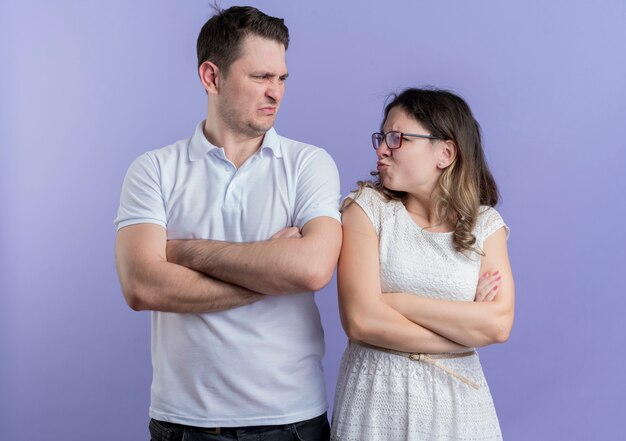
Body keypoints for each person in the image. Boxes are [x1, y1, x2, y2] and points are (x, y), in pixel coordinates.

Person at [114, 6, 341, 441]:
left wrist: (182, 252)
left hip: (291, 421)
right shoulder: (154, 169)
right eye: (260, 78)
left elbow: (312, 269)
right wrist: (272, 274)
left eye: (282, 79)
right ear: (211, 77)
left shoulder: (309, 164)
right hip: (184, 423)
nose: (275, 92)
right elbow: (142, 287)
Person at [330, 88, 514, 440]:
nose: (382, 148)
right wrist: (463, 326)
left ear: (445, 152)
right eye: (382, 137)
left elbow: (498, 326)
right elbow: (361, 320)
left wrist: (397, 302)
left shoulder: (486, 225)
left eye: (397, 138)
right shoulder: (366, 209)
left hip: (460, 407)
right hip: (375, 397)